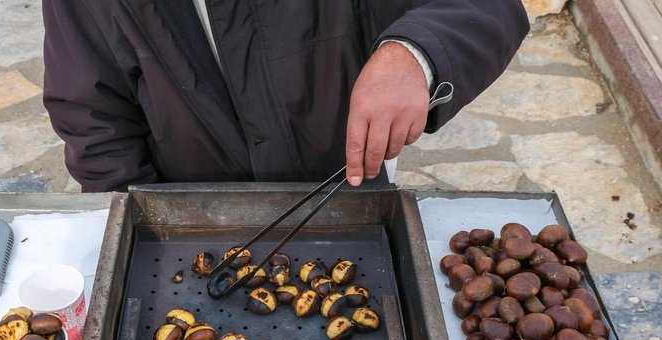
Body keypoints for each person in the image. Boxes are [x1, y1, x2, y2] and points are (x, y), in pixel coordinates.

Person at [42, 1, 529, 192]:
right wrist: (142, 230)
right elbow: (93, 116)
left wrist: (414, 53)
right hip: (190, 213)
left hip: (345, 190)